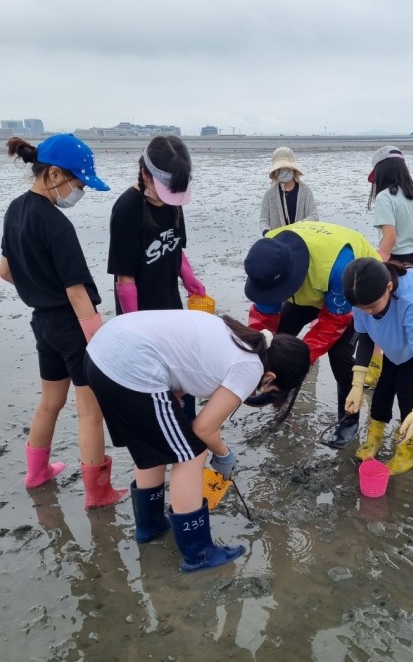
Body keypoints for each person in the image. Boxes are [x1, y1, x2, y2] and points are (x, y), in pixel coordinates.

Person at [84, 309, 310, 572]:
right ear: (271, 377)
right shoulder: (251, 366)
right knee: (191, 454)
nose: (259, 391)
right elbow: (204, 428)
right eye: (270, 389)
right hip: (131, 366)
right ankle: (198, 553)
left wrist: (175, 396)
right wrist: (224, 456)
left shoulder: (239, 336)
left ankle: (150, 526)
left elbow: (181, 360)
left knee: (154, 446)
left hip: (102, 354)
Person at [0, 134, 127, 510]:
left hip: (42, 323)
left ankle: (37, 472)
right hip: (72, 327)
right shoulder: (56, 225)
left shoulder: (14, 210)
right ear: (54, 173)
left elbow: (5, 268)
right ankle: (98, 492)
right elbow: (76, 292)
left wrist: (36, 284)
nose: (80, 191)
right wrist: (98, 339)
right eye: (79, 183)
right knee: (90, 410)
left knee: (49, 402)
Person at [243, 221, 381, 447]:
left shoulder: (340, 267)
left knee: (339, 355)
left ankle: (348, 418)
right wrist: (256, 368)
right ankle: (276, 389)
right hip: (307, 289)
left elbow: (333, 323)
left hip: (350, 291)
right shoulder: (267, 258)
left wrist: (300, 361)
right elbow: (263, 323)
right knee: (276, 342)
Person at [108, 135, 206, 419]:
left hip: (171, 307)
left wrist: (189, 277)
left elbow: (176, 245)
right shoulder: (127, 209)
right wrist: (137, 329)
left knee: (182, 377)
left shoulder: (174, 200)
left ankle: (187, 433)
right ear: (144, 174)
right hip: (142, 313)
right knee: (155, 387)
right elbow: (124, 279)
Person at [341, 258, 413, 473]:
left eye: (372, 306)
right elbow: (364, 340)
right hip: (395, 313)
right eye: (362, 309)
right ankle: (374, 436)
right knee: (386, 380)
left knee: (406, 382)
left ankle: (410, 451)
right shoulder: (361, 300)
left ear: (389, 287)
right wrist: (357, 385)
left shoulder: (412, 301)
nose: (368, 312)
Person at [365, 145, 413, 389]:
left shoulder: (384, 198)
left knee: (379, 315)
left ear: (381, 172)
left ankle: (376, 365)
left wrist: (373, 271)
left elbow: (389, 239)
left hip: (394, 262)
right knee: (410, 318)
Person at [259, 147, 318, 236]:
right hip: (278, 243)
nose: (284, 172)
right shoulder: (269, 194)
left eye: (287, 168)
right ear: (276, 171)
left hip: (301, 241)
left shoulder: (306, 192)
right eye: (280, 169)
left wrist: (298, 226)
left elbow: (314, 216)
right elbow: (263, 220)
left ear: (293, 170)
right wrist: (267, 233)